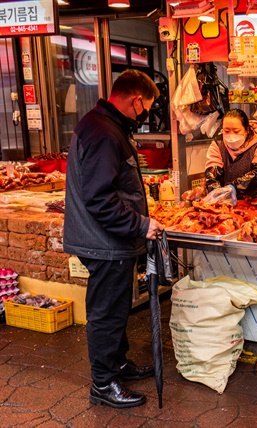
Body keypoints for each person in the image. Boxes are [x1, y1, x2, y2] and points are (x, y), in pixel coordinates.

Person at [64, 69, 164, 409]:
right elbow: (99, 198)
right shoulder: (105, 133)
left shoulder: (103, 124)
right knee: (106, 313)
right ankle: (103, 384)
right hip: (104, 242)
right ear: (136, 101)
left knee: (117, 308)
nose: (145, 116)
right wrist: (140, 225)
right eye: (146, 108)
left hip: (109, 240)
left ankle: (117, 364)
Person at [205, 108, 257, 198]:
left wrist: (234, 187)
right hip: (228, 200)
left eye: (236, 131)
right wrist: (216, 192)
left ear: (247, 130)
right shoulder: (217, 144)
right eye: (226, 131)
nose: (231, 135)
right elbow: (212, 171)